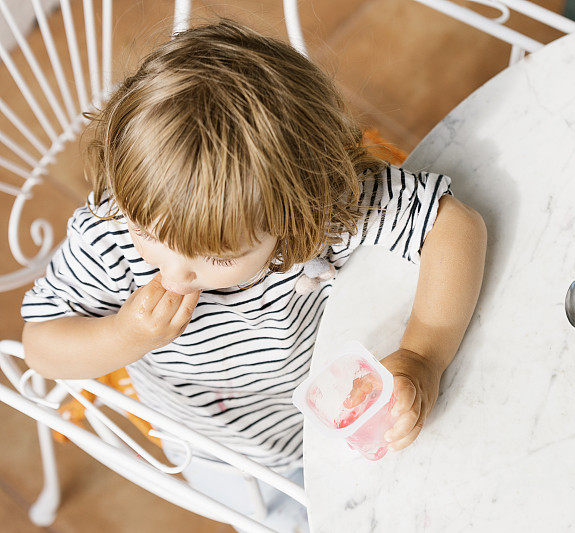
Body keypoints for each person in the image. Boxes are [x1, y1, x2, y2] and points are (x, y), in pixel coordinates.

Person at [19, 17, 487, 533]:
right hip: (226, 452)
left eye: (217, 257)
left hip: (327, 403)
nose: (176, 275)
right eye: (148, 235)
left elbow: (454, 226)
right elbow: (40, 347)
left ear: (295, 212)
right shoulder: (108, 238)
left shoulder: (322, 204)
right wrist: (126, 333)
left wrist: (424, 354)